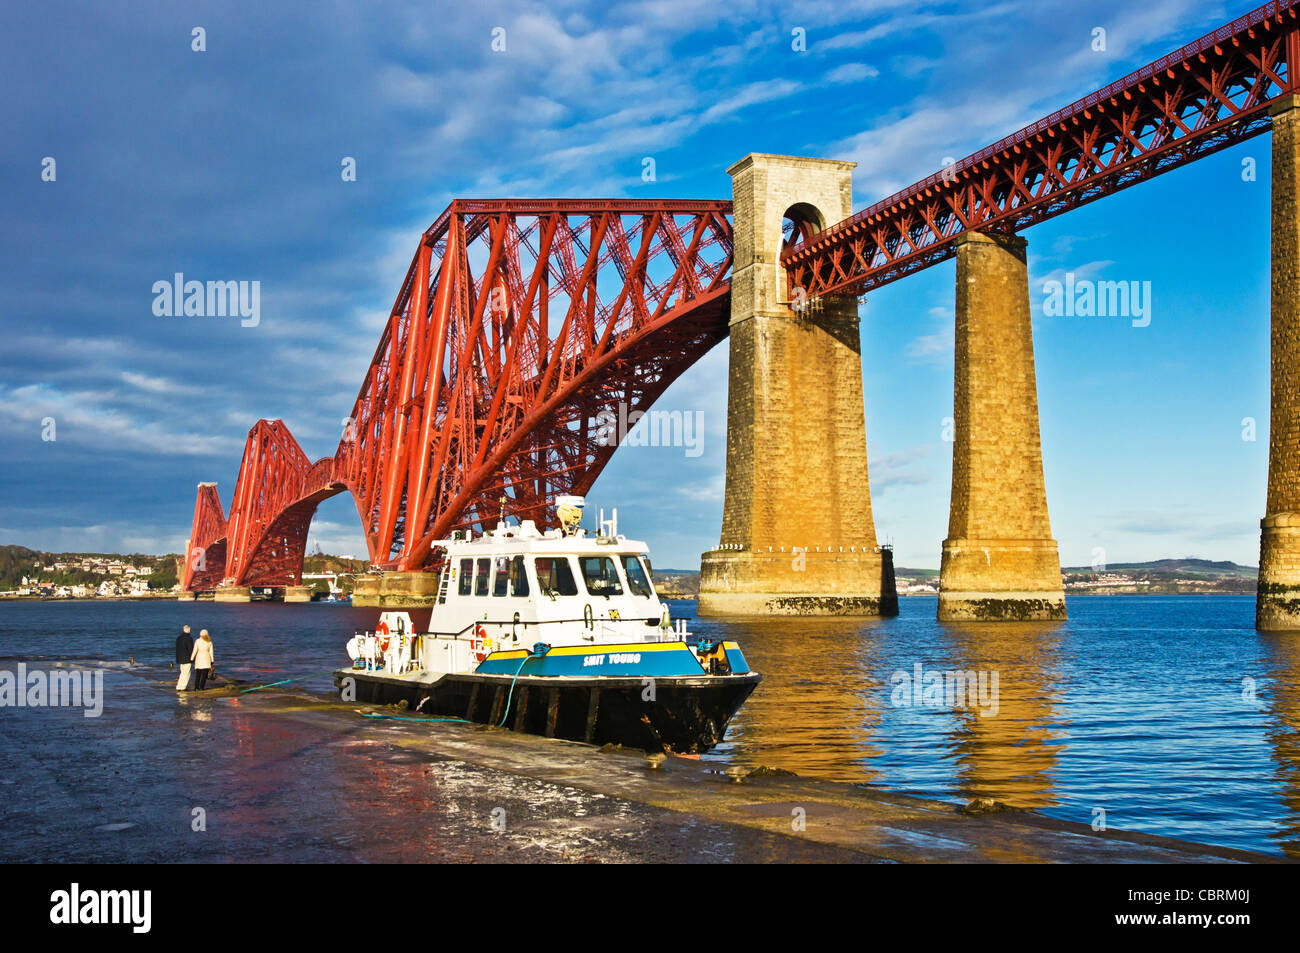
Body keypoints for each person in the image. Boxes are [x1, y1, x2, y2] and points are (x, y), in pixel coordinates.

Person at [175, 625, 194, 691]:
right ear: (188, 630)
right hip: (187, 658)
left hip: (180, 658)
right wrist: (193, 658)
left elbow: (177, 649)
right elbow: (191, 649)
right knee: (186, 673)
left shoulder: (179, 638)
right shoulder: (189, 638)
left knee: (182, 673)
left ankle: (179, 686)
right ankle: (183, 687)